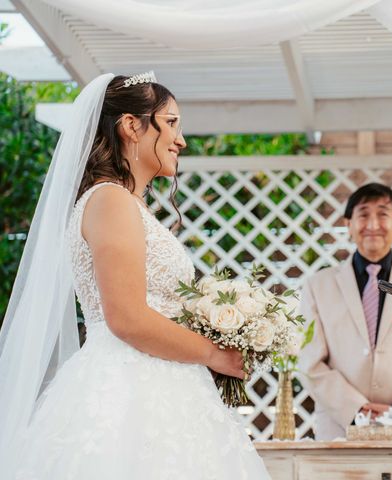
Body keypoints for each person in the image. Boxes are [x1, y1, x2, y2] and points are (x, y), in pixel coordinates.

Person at [0, 73, 270, 479]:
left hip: (164, 384)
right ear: (131, 126)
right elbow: (126, 317)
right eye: (172, 123)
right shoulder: (111, 201)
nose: (181, 140)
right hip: (128, 390)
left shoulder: (129, 205)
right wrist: (215, 354)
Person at [298, 183, 392, 440]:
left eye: (383, 214)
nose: (373, 223)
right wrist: (358, 412)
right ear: (348, 223)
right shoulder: (317, 286)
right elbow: (310, 361)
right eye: (363, 214)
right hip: (340, 428)